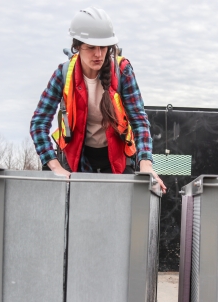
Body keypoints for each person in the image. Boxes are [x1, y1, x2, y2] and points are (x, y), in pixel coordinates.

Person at [30, 6, 166, 193]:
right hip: (78, 159)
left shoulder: (123, 71)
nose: (98, 54)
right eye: (91, 47)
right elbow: (39, 123)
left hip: (117, 158)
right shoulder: (63, 74)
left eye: (103, 47)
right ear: (77, 46)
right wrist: (54, 166)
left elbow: (139, 121)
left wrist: (146, 165)